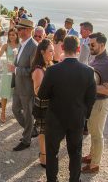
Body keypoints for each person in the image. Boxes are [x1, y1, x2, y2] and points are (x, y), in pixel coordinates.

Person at [38, 36, 96, 182]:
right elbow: (91, 98)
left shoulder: (52, 70)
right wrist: (84, 115)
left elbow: (42, 95)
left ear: (63, 48)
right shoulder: (89, 71)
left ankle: (52, 180)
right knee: (75, 152)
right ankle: (74, 180)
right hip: (76, 118)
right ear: (78, 49)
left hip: (55, 118)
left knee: (52, 152)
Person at [82, 32, 108, 174]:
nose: (90, 47)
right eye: (89, 44)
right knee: (92, 129)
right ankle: (91, 156)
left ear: (102, 45)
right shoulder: (96, 57)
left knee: (97, 134)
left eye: (93, 45)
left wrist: (87, 87)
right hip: (95, 102)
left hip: (101, 103)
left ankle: (95, 165)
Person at [8, 19, 38, 151]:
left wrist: (15, 69)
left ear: (27, 30)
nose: (17, 31)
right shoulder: (22, 44)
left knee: (28, 113)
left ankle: (26, 140)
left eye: (19, 29)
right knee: (15, 110)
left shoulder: (34, 46)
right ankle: (30, 130)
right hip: (18, 85)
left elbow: (33, 70)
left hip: (27, 87)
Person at [31, 39, 54, 168]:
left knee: (47, 130)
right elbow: (37, 91)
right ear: (42, 52)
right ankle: (43, 157)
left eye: (53, 50)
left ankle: (46, 154)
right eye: (50, 51)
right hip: (42, 105)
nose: (53, 53)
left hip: (48, 104)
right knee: (42, 132)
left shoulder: (48, 65)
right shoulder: (39, 70)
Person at [0, 28, 20, 123]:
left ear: (17, 35)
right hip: (7, 71)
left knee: (17, 93)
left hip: (17, 71)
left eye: (14, 34)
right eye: (10, 35)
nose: (11, 36)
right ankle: (3, 112)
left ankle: (18, 112)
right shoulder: (6, 45)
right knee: (5, 91)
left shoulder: (20, 45)